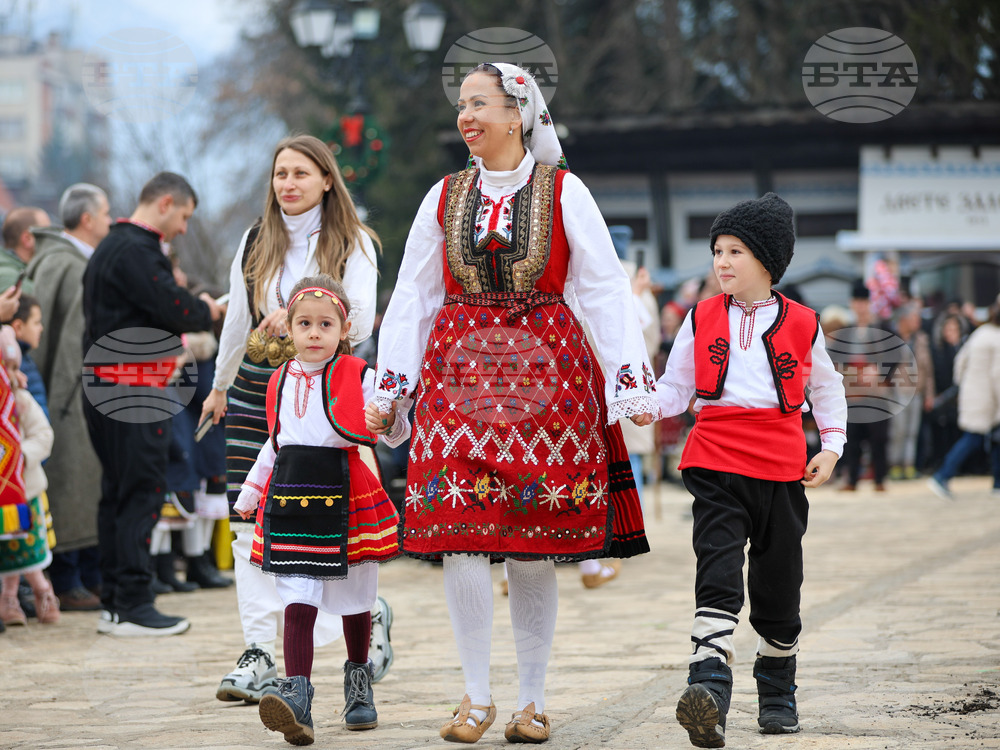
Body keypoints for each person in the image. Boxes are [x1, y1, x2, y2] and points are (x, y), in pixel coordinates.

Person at [370, 63, 656, 745]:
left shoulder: (564, 191)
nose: (466, 116)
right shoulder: (443, 195)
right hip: (457, 380)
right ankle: (475, 696)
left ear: (518, 113)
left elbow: (603, 288)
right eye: (462, 105)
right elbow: (413, 295)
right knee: (460, 535)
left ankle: (532, 700)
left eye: (479, 104)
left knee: (534, 542)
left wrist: (630, 377)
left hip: (548, 384)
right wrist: (391, 384)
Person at [198, 134, 390, 702]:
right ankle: (258, 649)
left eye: (301, 173)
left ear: (327, 179)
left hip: (329, 393)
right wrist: (219, 385)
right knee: (246, 523)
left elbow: (360, 321)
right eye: (281, 173)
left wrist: (304, 314)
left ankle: (366, 611)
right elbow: (237, 319)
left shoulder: (353, 241)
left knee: (326, 526)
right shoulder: (257, 239)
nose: (288, 183)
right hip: (261, 386)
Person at [654, 193, 847, 747]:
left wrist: (830, 448)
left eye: (735, 250)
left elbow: (828, 392)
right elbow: (676, 387)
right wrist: (643, 403)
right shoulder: (700, 316)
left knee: (779, 584)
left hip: (783, 466)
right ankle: (708, 684)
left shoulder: (805, 324)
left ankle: (777, 689)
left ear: (767, 260)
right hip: (714, 459)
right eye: (717, 250)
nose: (722, 262)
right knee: (716, 568)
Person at [230, 275, 405, 745]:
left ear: (342, 329)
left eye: (325, 324)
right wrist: (250, 494)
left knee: (355, 595)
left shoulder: (359, 374)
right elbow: (274, 444)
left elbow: (391, 426)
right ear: (288, 327)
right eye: (304, 323)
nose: (314, 332)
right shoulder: (278, 381)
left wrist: (386, 418)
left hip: (345, 488)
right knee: (297, 596)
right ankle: (297, 697)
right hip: (291, 493)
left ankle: (358, 684)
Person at [82, 172, 223, 636]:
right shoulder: (138, 250)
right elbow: (173, 309)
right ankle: (136, 605)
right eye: (184, 216)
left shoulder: (110, 246)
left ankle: (115, 602)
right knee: (142, 493)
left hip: (106, 386)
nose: (183, 228)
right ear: (166, 203)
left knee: (117, 494)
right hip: (134, 390)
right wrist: (207, 310)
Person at [25, 183, 112, 613]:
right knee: (70, 482)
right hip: (65, 393)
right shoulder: (67, 264)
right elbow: (57, 345)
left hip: (74, 392)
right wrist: (55, 400)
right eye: (106, 213)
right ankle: (68, 577)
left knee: (81, 483)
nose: (110, 221)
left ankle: (84, 576)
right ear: (87, 218)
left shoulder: (72, 261)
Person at [0, 326, 56, 625]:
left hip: (25, 489)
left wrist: (18, 457)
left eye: (12, 367)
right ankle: (9, 601)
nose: (8, 374)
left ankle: (43, 590)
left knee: (28, 547)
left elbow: (44, 434)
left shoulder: (20, 400)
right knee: (6, 550)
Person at [927, 295, 1000, 500]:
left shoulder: (981, 333)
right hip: (988, 399)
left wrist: (962, 385)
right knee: (974, 438)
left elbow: (961, 361)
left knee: (992, 439)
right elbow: (998, 375)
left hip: (972, 393)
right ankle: (943, 475)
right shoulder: (996, 338)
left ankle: (997, 484)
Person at [841, 279, 890, 492]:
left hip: (876, 390)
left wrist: (879, 370)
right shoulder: (847, 330)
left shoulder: (882, 328)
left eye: (863, 302)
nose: (860, 306)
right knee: (852, 438)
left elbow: (895, 355)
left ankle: (879, 479)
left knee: (878, 437)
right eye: (856, 302)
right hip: (853, 390)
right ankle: (852, 480)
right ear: (851, 304)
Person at [887, 301, 934, 480]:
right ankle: (895, 464)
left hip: (917, 391)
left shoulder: (921, 339)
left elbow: (928, 370)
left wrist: (929, 394)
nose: (917, 322)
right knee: (897, 430)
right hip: (897, 392)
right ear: (904, 319)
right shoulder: (892, 338)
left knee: (912, 431)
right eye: (914, 318)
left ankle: (909, 464)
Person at [0, 206, 49, 293]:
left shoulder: (20, 270)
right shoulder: (11, 279)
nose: (52, 240)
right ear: (27, 238)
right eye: (47, 233)